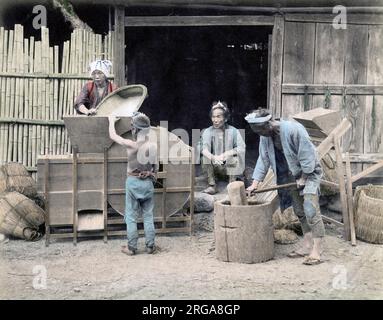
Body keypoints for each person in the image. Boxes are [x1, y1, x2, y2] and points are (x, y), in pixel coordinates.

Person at [245, 109, 325, 265]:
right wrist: (255, 183)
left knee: (310, 209)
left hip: (309, 173)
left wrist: (304, 177)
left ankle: (317, 250)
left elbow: (308, 155)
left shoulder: (293, 130)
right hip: (291, 175)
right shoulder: (265, 136)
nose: (260, 134)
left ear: (268, 123)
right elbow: (264, 158)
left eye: (261, 130)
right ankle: (307, 245)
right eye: (257, 131)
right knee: (300, 211)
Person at [108, 112, 158, 255]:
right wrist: (149, 173)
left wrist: (111, 121)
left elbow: (113, 136)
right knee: (148, 216)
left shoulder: (131, 145)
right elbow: (155, 168)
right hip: (148, 182)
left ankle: (132, 248)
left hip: (133, 183)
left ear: (134, 129)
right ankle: (150, 246)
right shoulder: (153, 146)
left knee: (131, 217)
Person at [200, 101, 246, 195]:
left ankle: (231, 185)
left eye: (218, 116)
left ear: (225, 118)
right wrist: (214, 157)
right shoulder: (208, 131)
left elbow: (241, 148)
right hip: (216, 166)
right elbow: (203, 148)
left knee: (234, 158)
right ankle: (212, 185)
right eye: (213, 117)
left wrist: (226, 154)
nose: (215, 120)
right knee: (204, 157)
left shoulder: (233, 131)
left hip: (229, 168)